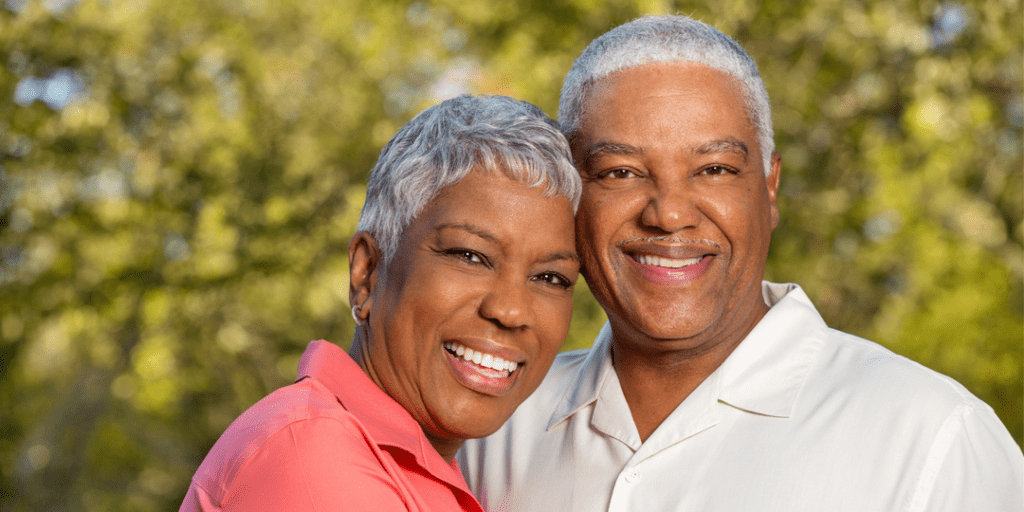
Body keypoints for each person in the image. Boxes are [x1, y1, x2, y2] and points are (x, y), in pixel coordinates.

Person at [458, 15, 1023, 511]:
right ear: (571, 195)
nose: (670, 214)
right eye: (621, 172)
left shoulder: (933, 441)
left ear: (770, 188)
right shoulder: (489, 424)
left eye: (714, 170)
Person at [180, 94, 583, 511]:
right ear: (367, 273)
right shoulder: (315, 454)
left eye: (550, 278)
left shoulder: (433, 473)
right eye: (470, 256)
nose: (511, 310)